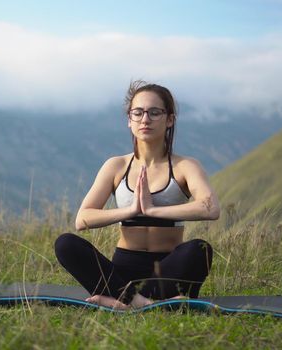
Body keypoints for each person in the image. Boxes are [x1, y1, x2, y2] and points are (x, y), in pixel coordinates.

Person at [54, 81, 220, 309]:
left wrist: (153, 210)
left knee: (199, 249)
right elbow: (82, 219)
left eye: (155, 112)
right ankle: (144, 302)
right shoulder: (116, 165)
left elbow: (211, 208)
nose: (145, 119)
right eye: (138, 112)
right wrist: (131, 210)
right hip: (122, 271)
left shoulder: (185, 166)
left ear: (169, 119)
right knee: (65, 244)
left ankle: (124, 302)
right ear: (129, 120)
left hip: (168, 268)